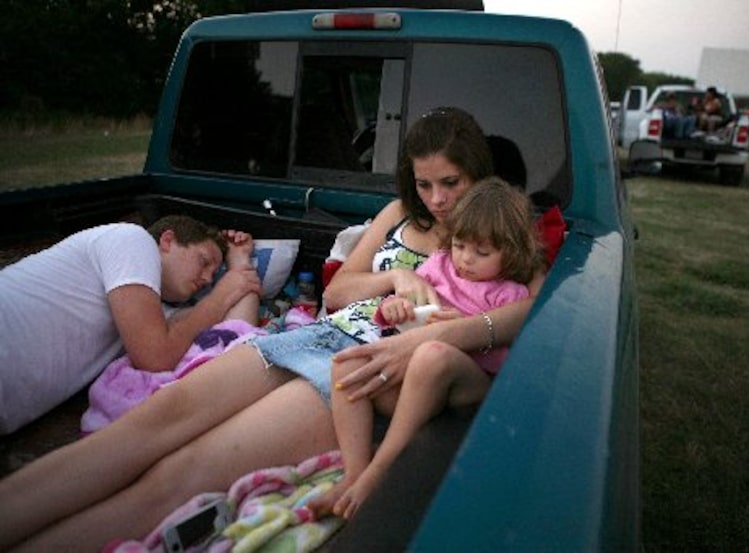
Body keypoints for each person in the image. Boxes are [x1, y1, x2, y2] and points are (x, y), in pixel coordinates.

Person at [0, 107, 548, 552]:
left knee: (179, 476)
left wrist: (448, 334)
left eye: (450, 183)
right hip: (317, 335)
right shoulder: (399, 214)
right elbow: (336, 291)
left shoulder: (502, 227)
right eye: (424, 183)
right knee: (148, 423)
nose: (436, 199)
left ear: (478, 171)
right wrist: (396, 277)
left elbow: (532, 310)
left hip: (361, 374)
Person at [308, 177, 544, 520]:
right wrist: (392, 308)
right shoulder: (439, 265)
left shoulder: (507, 293)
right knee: (348, 365)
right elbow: (399, 311)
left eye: (482, 252)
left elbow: (500, 359)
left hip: (467, 383)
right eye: (461, 245)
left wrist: (456, 327)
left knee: (432, 354)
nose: (466, 259)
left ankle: (380, 472)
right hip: (418, 380)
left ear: (512, 252)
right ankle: (354, 472)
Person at [0, 215, 262, 434]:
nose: (206, 279)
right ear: (167, 241)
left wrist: (239, 261)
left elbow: (235, 333)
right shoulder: (131, 240)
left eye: (214, 275)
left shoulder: (158, 315)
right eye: (204, 262)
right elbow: (156, 356)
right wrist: (220, 295)